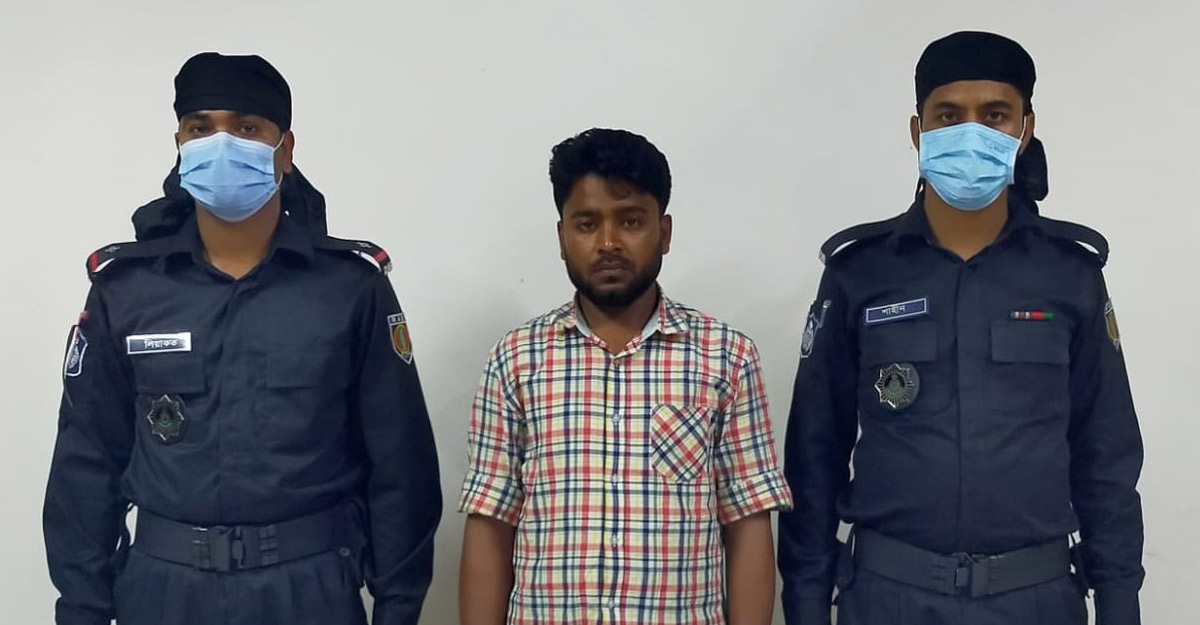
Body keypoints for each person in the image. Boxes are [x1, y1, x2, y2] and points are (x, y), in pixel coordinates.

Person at [43, 52, 442, 625]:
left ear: (285, 148)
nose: (222, 145)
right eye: (200, 128)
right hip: (162, 589)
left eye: (247, 128)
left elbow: (400, 467)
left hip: (307, 588)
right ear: (179, 144)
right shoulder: (126, 290)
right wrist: (82, 609)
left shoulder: (350, 288)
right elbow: (85, 465)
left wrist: (397, 608)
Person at [777, 31, 1144, 625]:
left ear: (1025, 130)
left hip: (1037, 599)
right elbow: (813, 457)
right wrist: (805, 605)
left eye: (994, 115)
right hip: (889, 597)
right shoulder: (859, 273)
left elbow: (1107, 456)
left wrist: (1120, 603)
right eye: (949, 115)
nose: (971, 133)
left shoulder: (1070, 275)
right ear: (918, 131)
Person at [457, 128, 793, 625]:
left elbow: (747, 523)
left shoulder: (726, 357)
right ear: (562, 237)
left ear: (665, 232)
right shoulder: (515, 359)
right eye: (587, 224)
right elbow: (491, 521)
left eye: (631, 221)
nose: (608, 243)